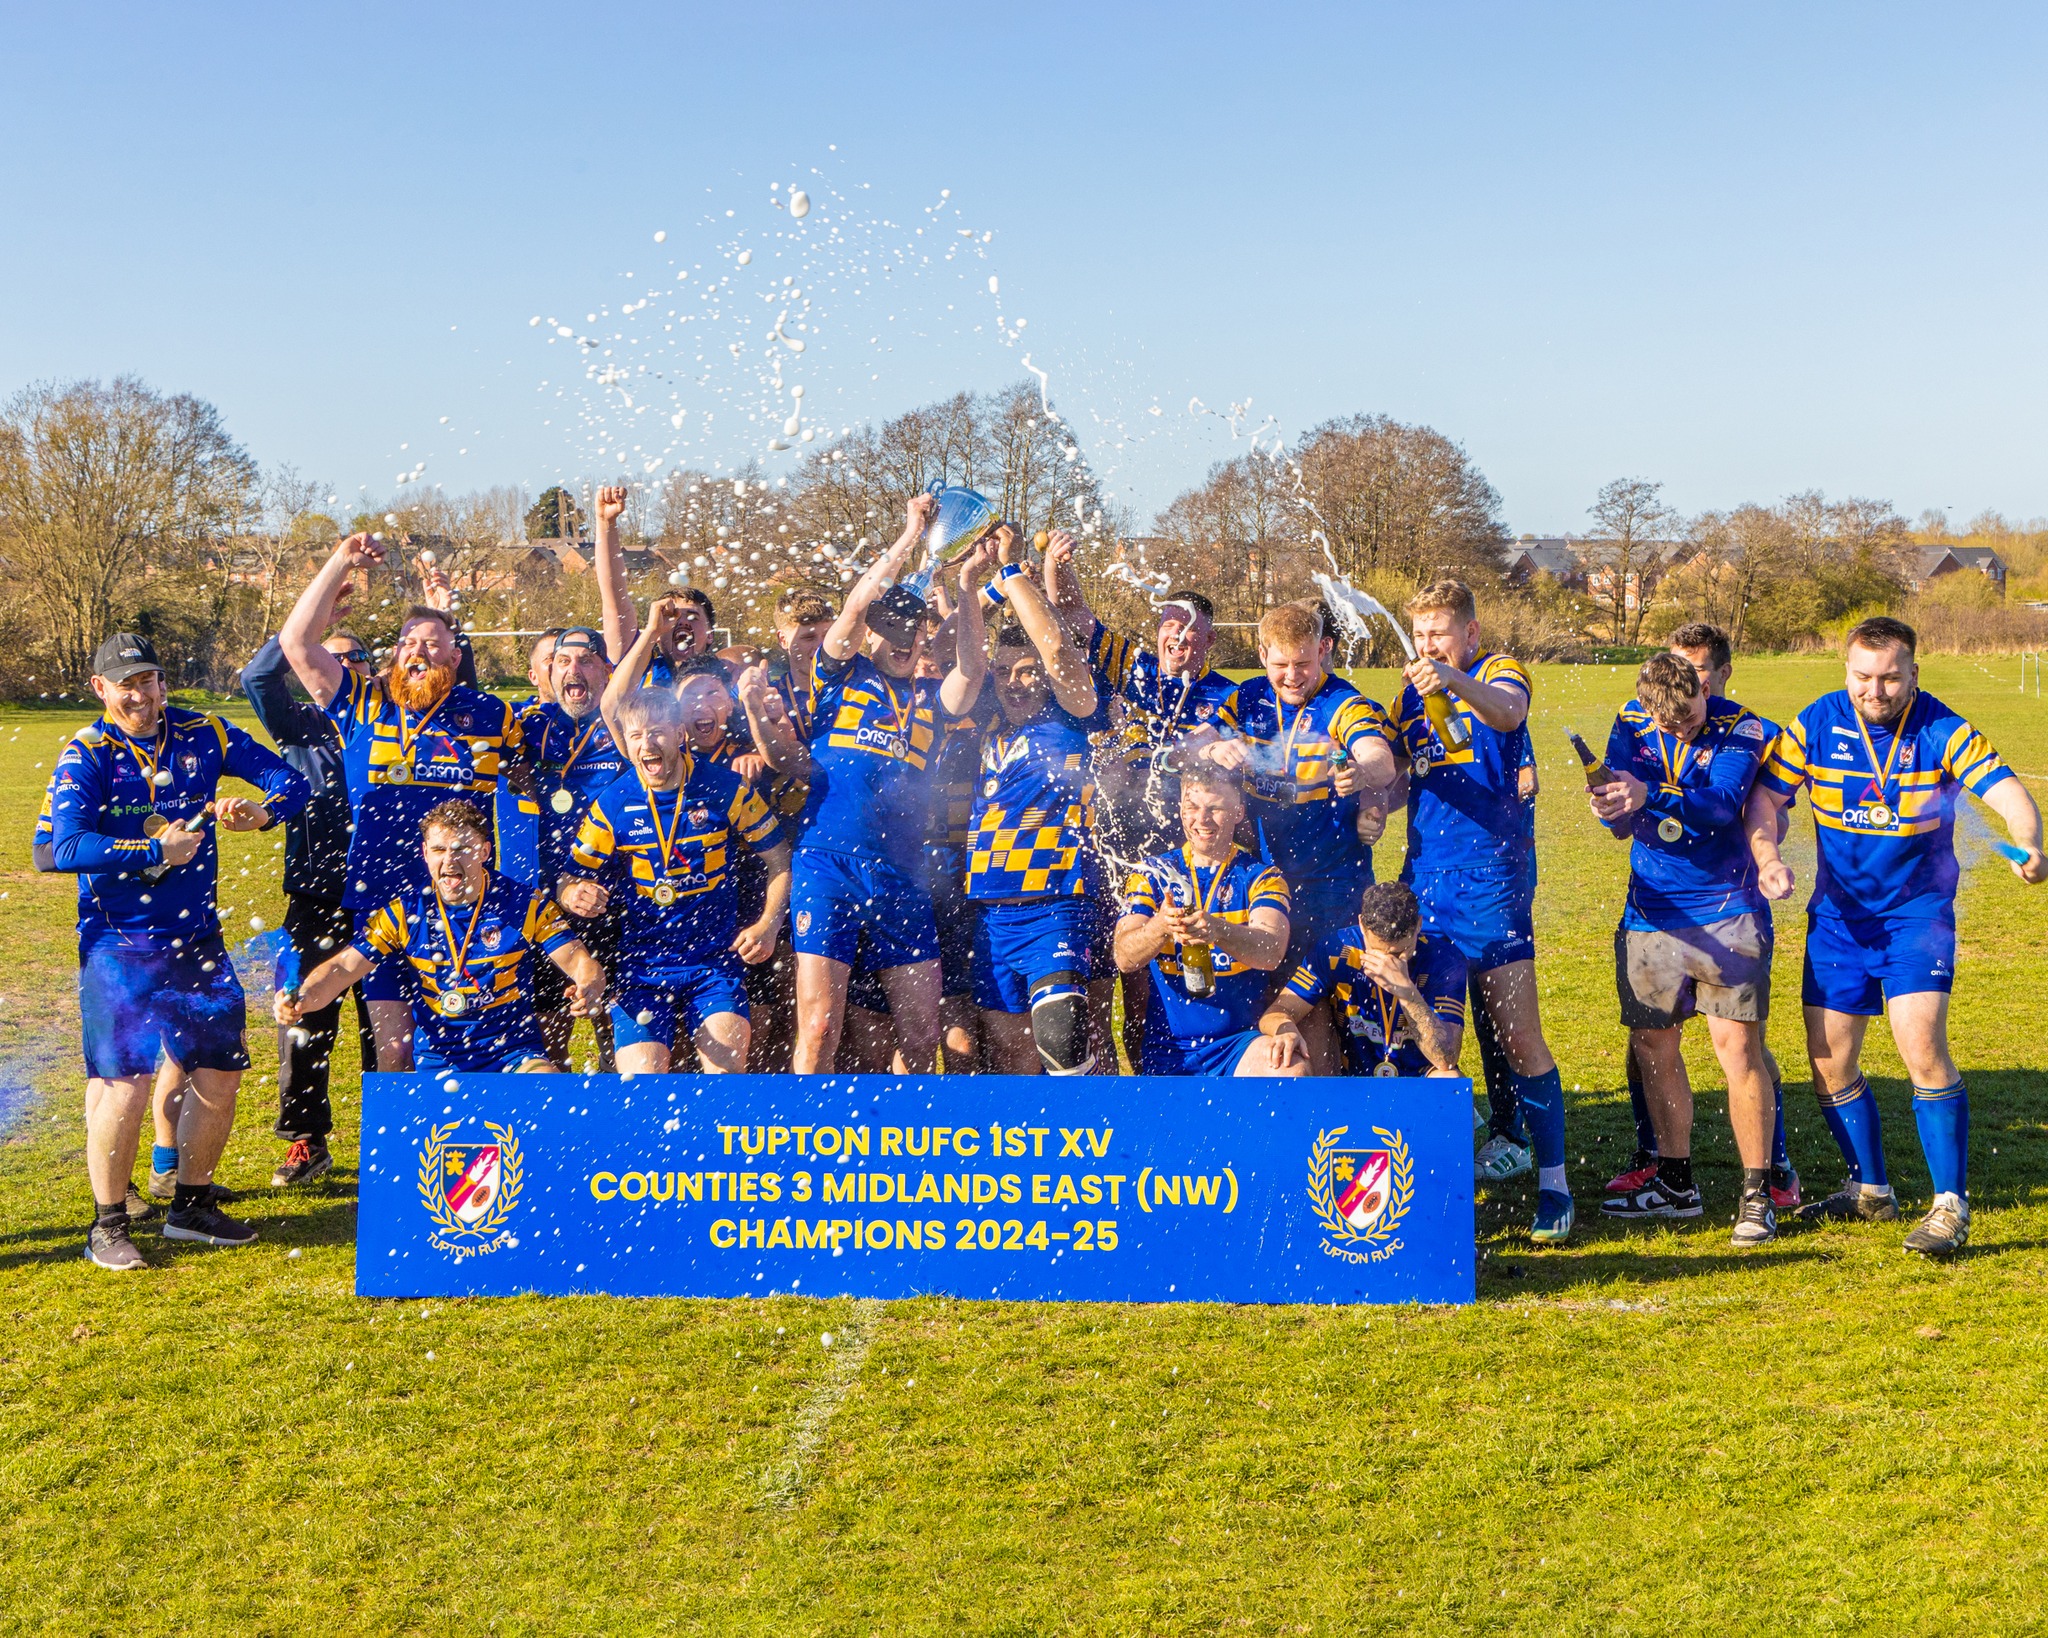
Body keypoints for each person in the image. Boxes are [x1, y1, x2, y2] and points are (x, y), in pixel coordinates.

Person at [1747, 616, 2045, 1255]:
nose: (1874, 691)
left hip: (1917, 917)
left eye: (1889, 678)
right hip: (1837, 920)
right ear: (1845, 671)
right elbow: (1765, 802)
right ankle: (1870, 1191)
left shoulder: (1941, 727)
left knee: (1922, 1047)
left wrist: (2029, 841)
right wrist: (1769, 857)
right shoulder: (1817, 723)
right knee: (1829, 1063)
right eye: (1862, 677)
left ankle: (1949, 1206)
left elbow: (2006, 789)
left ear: (1914, 674)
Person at [52, 633, 309, 1269]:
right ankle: (108, 1223)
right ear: (100, 689)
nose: (139, 695)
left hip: (197, 939)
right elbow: (60, 849)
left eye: (148, 680)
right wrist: (150, 853)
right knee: (125, 1084)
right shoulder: (85, 754)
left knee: (220, 1073)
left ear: (163, 681)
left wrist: (264, 811)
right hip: (120, 944)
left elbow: (290, 780)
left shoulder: (205, 732)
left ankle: (190, 1207)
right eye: (125, 684)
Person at [279, 531, 521, 1072]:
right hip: (386, 906)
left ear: (456, 658)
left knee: (473, 1049)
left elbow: (545, 770)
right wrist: (340, 561)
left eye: (432, 643)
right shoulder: (365, 702)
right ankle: (403, 1157)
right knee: (393, 1053)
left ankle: (476, 1153)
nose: (417, 651)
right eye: (408, 642)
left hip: (467, 906)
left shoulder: (492, 716)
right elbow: (297, 641)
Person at [1385, 579, 1570, 1243]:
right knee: (1423, 1031)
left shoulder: (1496, 670)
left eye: (1441, 632)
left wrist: (1449, 680)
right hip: (1425, 880)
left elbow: (1509, 714)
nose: (1429, 645)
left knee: (1518, 1033)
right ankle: (1426, 1185)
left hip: (1492, 879)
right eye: (1422, 634)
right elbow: (1405, 774)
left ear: (1471, 634)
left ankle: (1555, 1184)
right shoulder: (1408, 692)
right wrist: (1371, 790)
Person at [1608, 623, 1802, 1211]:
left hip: (1727, 910)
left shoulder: (1743, 725)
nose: (1682, 726)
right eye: (1670, 722)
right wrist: (1614, 803)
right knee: (1651, 1042)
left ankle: (1766, 1180)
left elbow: (1720, 807)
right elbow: (1620, 817)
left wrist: (1652, 798)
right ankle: (1673, 1177)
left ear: (1711, 680)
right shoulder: (1631, 719)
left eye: (1692, 714)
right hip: (1651, 909)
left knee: (1739, 1051)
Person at [787, 494, 971, 1075]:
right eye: (888, 629)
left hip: (902, 873)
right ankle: (795, 1153)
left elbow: (970, 673)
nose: (901, 639)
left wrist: (966, 587)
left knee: (921, 1034)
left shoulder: (928, 698)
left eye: (911, 632)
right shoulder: (840, 672)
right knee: (819, 1028)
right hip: (827, 864)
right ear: (869, 635)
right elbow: (859, 601)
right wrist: (910, 534)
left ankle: (905, 1153)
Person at [1191, 601, 1398, 1072]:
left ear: (1323, 650)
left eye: (1303, 663)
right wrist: (1215, 747)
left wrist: (1360, 775)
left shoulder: (1341, 701)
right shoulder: (1245, 700)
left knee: (1347, 1013)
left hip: (1337, 889)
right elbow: (1188, 748)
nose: (1292, 676)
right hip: (1270, 890)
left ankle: (1360, 1119)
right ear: (1262, 653)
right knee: (1290, 1014)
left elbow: (1380, 759)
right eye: (1281, 664)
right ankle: (1311, 1127)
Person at [279, 801, 601, 1076]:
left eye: (462, 848)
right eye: (439, 850)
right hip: (439, 1062)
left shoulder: (523, 903)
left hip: (514, 1056)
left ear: (485, 851)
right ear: (425, 853)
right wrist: (304, 996)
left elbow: (579, 961)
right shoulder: (404, 912)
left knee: (546, 1087)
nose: (449, 860)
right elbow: (343, 967)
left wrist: (588, 985)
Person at [562, 687, 790, 1073]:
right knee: (642, 1086)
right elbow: (570, 877)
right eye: (636, 736)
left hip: (714, 963)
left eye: (657, 732)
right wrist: (572, 893)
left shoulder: (724, 788)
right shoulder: (614, 802)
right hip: (643, 967)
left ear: (680, 734)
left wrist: (768, 925)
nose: (647, 744)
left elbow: (781, 860)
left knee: (726, 1077)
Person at [953, 529, 1102, 1074]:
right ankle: (1026, 1159)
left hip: (1053, 906)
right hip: (991, 913)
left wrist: (1013, 569)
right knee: (1013, 1059)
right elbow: (962, 652)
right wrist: (972, 585)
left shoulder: (1072, 714)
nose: (1015, 683)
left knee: (1063, 1049)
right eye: (1005, 671)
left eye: (1026, 671)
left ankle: (1093, 1156)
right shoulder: (985, 714)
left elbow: (1058, 647)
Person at [241, 618, 378, 1186]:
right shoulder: (300, 728)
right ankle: (305, 1139)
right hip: (315, 898)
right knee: (303, 1019)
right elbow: (257, 675)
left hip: (385, 901)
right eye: (330, 656)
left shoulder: (395, 724)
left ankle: (393, 1133)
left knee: (387, 1024)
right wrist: (309, 623)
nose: (343, 666)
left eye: (355, 659)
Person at [1114, 762, 1301, 1078]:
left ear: (1239, 812)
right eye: (1193, 807)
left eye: (1215, 808)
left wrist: (1217, 930)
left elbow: (1270, 952)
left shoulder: (1262, 877)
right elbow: (1123, 956)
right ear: (1180, 809)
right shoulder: (1152, 874)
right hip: (1167, 1046)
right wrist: (1159, 926)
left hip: (1237, 1045)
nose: (1202, 819)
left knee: (1290, 1070)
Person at [518, 627, 627, 1068]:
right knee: (547, 1040)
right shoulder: (528, 727)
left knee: (618, 1038)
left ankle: (621, 1130)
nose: (572, 669)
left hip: (617, 900)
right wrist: (558, 883)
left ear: (607, 669)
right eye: (562, 661)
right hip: (546, 899)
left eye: (585, 660)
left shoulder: (624, 724)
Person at [1259, 880, 1466, 1076]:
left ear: (1418, 925)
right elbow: (1277, 1013)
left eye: (1399, 954)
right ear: (1361, 925)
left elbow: (1445, 1058)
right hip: (1350, 1081)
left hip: (1418, 1079)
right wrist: (1285, 1029)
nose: (1387, 964)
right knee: (1313, 1011)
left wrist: (1406, 991)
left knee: (1449, 1078)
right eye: (1377, 952)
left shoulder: (1443, 959)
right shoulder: (1336, 950)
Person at [594, 483, 716, 687]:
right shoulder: (638, 670)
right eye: (672, 616)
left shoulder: (724, 677)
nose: (682, 622)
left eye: (693, 616)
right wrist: (606, 523)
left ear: (710, 635)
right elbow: (615, 601)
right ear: (657, 637)